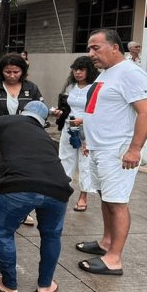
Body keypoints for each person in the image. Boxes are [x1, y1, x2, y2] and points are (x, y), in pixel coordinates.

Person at [0, 100, 73, 292]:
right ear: (42, 122)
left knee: (4, 231)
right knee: (51, 236)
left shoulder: (7, 120)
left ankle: (9, 284)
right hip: (58, 189)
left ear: (22, 112)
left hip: (18, 186)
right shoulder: (44, 136)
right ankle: (45, 286)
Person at [75, 29, 147, 276]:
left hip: (117, 150)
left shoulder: (131, 73)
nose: (91, 54)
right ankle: (106, 243)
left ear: (114, 47)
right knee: (106, 198)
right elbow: (103, 109)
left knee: (117, 203)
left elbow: (146, 112)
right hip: (99, 148)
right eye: (89, 48)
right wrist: (88, 134)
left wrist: (134, 149)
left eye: (95, 48)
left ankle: (114, 259)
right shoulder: (107, 74)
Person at [0, 53, 46, 225]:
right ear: (1, 72)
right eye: (8, 72)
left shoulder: (32, 89)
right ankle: (2, 207)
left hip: (24, 139)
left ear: (23, 72)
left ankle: (22, 210)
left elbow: (40, 109)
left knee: (22, 174)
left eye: (16, 72)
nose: (12, 76)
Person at [52, 56, 98, 213]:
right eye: (75, 69)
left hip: (88, 130)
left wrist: (83, 120)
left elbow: (99, 112)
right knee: (65, 159)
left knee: (85, 163)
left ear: (89, 71)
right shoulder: (70, 86)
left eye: (82, 69)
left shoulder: (95, 87)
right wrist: (60, 113)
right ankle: (62, 192)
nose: (78, 72)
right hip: (69, 127)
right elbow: (66, 107)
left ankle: (83, 196)